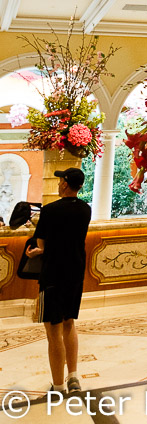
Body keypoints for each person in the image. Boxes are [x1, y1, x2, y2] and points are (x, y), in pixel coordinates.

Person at [26, 167, 91, 396]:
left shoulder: (50, 210)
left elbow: (41, 246)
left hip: (53, 274)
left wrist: (35, 252)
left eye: (60, 180)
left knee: (53, 330)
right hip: (75, 272)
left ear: (64, 184)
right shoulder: (85, 209)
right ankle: (73, 377)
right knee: (69, 323)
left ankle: (58, 386)